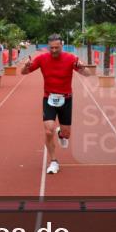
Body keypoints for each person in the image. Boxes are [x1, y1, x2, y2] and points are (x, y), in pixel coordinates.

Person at [20, 34, 93, 175]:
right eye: (51, 48)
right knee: (48, 130)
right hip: (49, 98)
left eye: (56, 48)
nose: (53, 50)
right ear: (48, 47)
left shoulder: (71, 58)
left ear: (62, 46)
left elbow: (88, 74)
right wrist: (25, 66)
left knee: (66, 134)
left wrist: (83, 68)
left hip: (66, 99)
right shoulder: (42, 58)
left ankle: (62, 134)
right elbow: (24, 73)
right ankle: (54, 161)